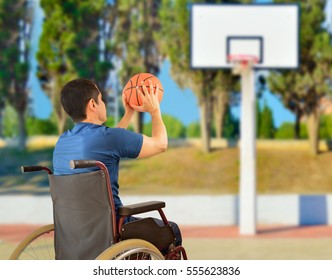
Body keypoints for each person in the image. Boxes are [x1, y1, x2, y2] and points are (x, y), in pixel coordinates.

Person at [52, 78, 182, 249]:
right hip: (112, 229)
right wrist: (155, 111)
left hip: (74, 231)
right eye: (101, 99)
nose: (104, 103)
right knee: (172, 230)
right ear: (93, 104)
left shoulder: (62, 142)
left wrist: (128, 114)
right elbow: (161, 144)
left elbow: (111, 142)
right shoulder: (108, 138)